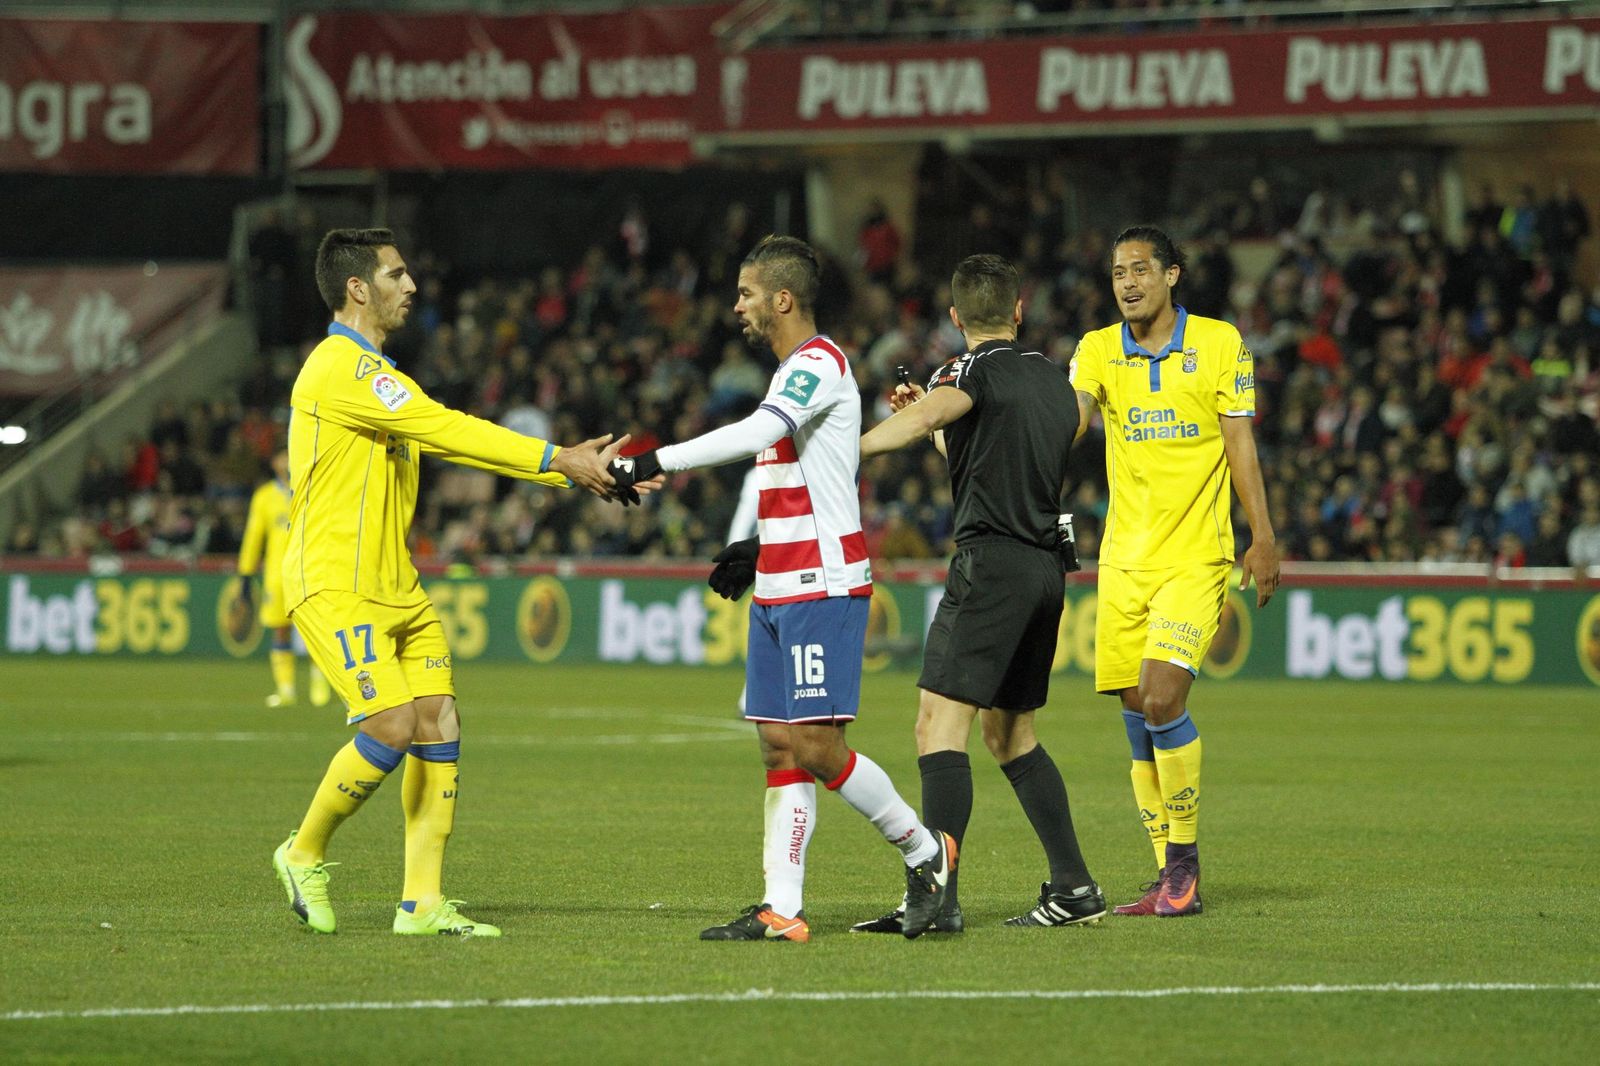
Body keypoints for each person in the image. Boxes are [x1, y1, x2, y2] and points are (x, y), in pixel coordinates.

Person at [271, 228, 637, 938]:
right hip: (334, 580)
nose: (411, 287)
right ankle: (302, 849)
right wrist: (555, 458)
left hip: (396, 585)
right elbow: (446, 430)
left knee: (438, 722)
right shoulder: (339, 367)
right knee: (391, 725)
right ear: (358, 288)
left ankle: (422, 901)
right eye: (397, 275)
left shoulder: (378, 373)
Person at [610, 234, 956, 942]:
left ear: (783, 298)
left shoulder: (820, 364)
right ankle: (783, 910)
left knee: (819, 748)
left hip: (822, 586)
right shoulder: (787, 373)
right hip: (778, 580)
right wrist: (757, 545)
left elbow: (761, 432)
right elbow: (802, 474)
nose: (736, 306)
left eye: (745, 293)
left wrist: (655, 460)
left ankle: (928, 855)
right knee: (776, 743)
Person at [849, 253, 1104, 933]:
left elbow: (939, 411)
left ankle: (936, 897)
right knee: (1010, 732)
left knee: (938, 727)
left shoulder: (964, 370)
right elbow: (994, 453)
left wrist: (848, 449)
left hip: (989, 564)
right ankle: (1075, 886)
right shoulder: (1054, 383)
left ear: (956, 317)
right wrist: (939, 427)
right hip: (1046, 568)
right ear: (1019, 311)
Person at [1069, 225, 1279, 917]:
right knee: (1136, 714)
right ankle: (1165, 873)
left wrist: (1263, 536)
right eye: (1117, 272)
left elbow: (1240, 446)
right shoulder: (1099, 350)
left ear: (1172, 275)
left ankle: (1182, 871)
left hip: (1197, 554)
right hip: (1125, 559)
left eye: (1139, 270)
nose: (1127, 282)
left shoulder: (1219, 344)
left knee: (1162, 698)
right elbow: (1065, 424)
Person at [238, 448, 331, 708]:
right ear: (273, 461)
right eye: (282, 456)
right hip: (277, 577)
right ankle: (286, 689)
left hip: (310, 572)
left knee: (316, 630)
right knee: (280, 630)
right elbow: (253, 538)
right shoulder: (265, 496)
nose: (287, 461)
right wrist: (245, 575)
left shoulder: (312, 487)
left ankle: (319, 681)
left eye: (291, 454)